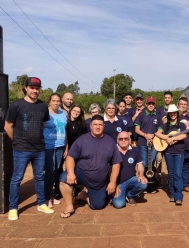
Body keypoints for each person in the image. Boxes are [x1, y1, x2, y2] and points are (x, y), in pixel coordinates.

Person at [4, 77, 54, 220]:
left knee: (39, 177)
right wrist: (16, 141)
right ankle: (13, 207)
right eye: (32, 87)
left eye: (37, 88)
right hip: (21, 149)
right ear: (26, 88)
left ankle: (40, 203)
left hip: (39, 149)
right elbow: (7, 126)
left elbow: (43, 124)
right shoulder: (16, 105)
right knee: (17, 178)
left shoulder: (43, 106)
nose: (35, 90)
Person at [59, 115, 122, 217]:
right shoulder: (82, 140)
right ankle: (69, 206)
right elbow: (70, 157)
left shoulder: (110, 142)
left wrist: (112, 182)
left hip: (98, 182)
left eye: (100, 124)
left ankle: (84, 195)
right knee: (63, 177)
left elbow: (116, 163)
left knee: (97, 206)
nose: (98, 127)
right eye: (95, 124)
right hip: (81, 173)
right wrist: (70, 173)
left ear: (104, 126)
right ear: (91, 126)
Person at [155, 104, 187, 205]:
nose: (173, 114)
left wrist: (173, 138)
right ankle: (172, 194)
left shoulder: (181, 125)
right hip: (168, 152)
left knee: (178, 174)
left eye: (174, 113)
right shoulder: (165, 125)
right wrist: (166, 138)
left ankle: (178, 196)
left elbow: (184, 135)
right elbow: (157, 133)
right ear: (169, 114)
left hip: (179, 152)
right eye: (171, 113)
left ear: (177, 114)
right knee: (171, 174)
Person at [43, 93, 68, 208]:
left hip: (60, 146)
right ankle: (47, 197)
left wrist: (66, 146)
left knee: (57, 169)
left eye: (58, 101)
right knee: (50, 171)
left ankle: (53, 194)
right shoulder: (45, 113)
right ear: (49, 101)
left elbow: (65, 130)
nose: (56, 103)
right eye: (54, 101)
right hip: (49, 146)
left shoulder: (63, 114)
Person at [112, 132, 147, 208]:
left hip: (131, 179)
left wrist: (141, 175)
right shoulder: (112, 151)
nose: (123, 140)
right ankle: (120, 194)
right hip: (118, 183)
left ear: (129, 140)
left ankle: (130, 195)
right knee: (119, 204)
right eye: (121, 139)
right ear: (117, 140)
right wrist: (113, 183)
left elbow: (140, 164)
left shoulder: (135, 149)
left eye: (126, 138)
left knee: (143, 183)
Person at [134, 96, 160, 183]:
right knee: (144, 163)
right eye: (149, 103)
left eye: (153, 103)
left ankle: (149, 183)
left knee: (151, 163)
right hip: (142, 143)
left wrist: (152, 135)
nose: (151, 105)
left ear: (155, 105)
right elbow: (136, 129)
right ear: (146, 104)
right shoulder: (141, 115)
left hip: (154, 143)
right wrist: (146, 135)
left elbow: (160, 130)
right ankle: (141, 183)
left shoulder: (158, 116)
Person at [178, 97, 189, 193]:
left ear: (187, 106)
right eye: (181, 104)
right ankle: (177, 185)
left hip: (187, 145)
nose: (183, 106)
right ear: (178, 105)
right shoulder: (175, 115)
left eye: (185, 104)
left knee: (185, 165)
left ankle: (185, 185)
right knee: (177, 166)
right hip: (177, 146)